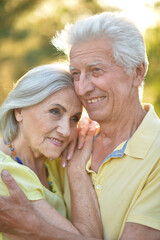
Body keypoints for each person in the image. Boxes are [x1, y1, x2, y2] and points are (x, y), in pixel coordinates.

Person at [0, 11, 160, 240]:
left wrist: (34, 227)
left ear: (137, 72)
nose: (82, 88)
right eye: (75, 73)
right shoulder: (65, 145)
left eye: (96, 70)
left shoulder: (156, 153)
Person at [0, 63, 103, 240]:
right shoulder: (6, 173)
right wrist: (77, 168)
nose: (65, 131)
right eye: (55, 111)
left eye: (74, 119)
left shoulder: (51, 159)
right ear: (19, 111)